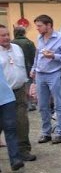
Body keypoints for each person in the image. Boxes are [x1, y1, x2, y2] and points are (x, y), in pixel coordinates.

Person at [30, 14, 61, 144]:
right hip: (40, 74)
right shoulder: (40, 37)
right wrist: (34, 68)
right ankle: (46, 132)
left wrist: (54, 56)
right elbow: (37, 55)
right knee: (42, 105)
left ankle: (60, 133)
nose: (37, 29)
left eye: (39, 26)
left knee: (59, 104)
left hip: (55, 73)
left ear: (48, 25)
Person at [0, 25, 35, 162]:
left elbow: (23, 68)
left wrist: (27, 86)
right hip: (3, 94)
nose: (7, 37)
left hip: (19, 90)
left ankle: (23, 150)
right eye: (3, 35)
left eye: (7, 34)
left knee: (22, 121)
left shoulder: (17, 48)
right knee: (5, 124)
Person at [13, 26, 37, 112]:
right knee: (29, 86)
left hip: (15, 69)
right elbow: (34, 56)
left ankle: (21, 104)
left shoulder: (12, 43)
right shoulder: (29, 43)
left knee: (20, 87)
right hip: (28, 67)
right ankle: (30, 104)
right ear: (24, 32)